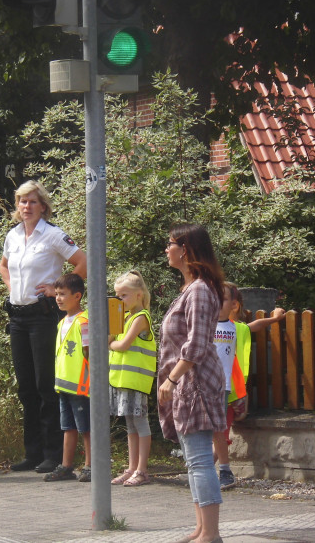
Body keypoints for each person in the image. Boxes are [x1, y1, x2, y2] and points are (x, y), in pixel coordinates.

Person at [0, 180, 87, 473]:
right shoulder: (12, 236)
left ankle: (53, 454)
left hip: (43, 315)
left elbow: (82, 262)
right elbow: (3, 265)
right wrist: (11, 288)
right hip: (17, 317)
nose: (27, 207)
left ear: (43, 206)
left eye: (33, 202)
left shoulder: (52, 235)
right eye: (22, 201)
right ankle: (32, 453)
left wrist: (57, 289)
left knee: (45, 384)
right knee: (26, 387)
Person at [157, 223, 226, 543]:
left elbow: (196, 344)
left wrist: (171, 379)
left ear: (185, 249)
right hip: (188, 384)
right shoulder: (190, 289)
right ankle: (201, 529)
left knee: (199, 461)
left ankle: (210, 535)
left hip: (195, 383)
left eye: (170, 244)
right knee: (193, 460)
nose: (166, 249)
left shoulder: (199, 289)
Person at [213, 282, 286, 490]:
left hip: (229, 390)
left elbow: (255, 326)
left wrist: (275, 318)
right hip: (212, 390)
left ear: (234, 305)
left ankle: (218, 469)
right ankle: (206, 467)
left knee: (221, 431)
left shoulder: (236, 329)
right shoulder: (206, 326)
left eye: (222, 299)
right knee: (216, 431)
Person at [108, 270, 156, 487]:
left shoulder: (141, 318)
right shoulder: (124, 317)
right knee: (130, 425)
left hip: (136, 382)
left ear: (139, 295)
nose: (120, 300)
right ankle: (131, 468)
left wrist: (110, 344)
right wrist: (112, 324)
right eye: (117, 296)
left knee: (140, 423)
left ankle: (142, 470)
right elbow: (109, 337)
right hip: (121, 380)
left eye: (124, 296)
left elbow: (122, 344)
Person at [44, 273, 91, 482]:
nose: (58, 298)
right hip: (64, 384)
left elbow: (90, 351)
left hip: (81, 386)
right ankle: (66, 465)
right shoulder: (61, 322)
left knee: (86, 428)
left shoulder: (84, 320)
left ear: (77, 295)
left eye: (63, 294)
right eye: (56, 294)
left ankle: (91, 465)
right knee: (68, 427)